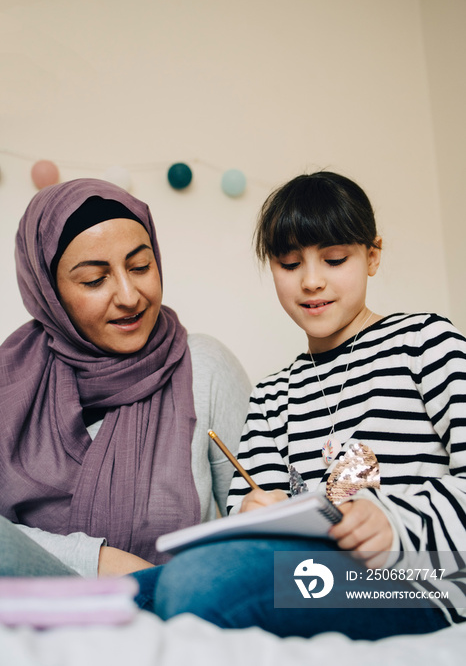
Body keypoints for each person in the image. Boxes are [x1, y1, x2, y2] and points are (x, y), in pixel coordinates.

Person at [152, 171, 465, 639]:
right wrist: (253, 514)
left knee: (195, 584)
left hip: (429, 574)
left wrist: (395, 523)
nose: (312, 281)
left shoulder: (426, 343)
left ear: (372, 255)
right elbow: (249, 532)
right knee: (136, 590)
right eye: (290, 264)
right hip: (319, 575)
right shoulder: (273, 394)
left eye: (335, 259)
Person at [0, 178, 251, 593]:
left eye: (140, 267)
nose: (130, 295)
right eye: (95, 280)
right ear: (49, 292)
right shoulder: (11, 386)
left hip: (190, 632)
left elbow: (256, 523)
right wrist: (98, 562)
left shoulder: (203, 366)